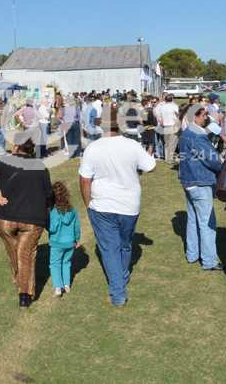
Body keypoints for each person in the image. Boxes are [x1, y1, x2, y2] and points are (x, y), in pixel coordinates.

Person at [79, 107, 156, 307]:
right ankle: (119, 284)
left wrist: (88, 204)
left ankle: (119, 287)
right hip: (128, 203)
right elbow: (150, 166)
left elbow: (85, 180)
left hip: (102, 204)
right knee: (124, 244)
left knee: (111, 248)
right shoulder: (132, 145)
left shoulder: (93, 148)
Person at [0, 137, 52, 309]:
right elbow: (48, 194)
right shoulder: (40, 167)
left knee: (14, 253)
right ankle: (25, 295)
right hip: (32, 220)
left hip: (4, 218)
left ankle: (20, 284)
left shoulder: (4, 161)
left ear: (17, 146)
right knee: (25, 255)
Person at [178, 105, 223, 270]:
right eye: (204, 115)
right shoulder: (197, 136)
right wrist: (222, 166)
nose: (206, 118)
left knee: (192, 219)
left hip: (188, 181)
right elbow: (212, 160)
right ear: (195, 116)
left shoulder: (186, 133)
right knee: (207, 223)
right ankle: (209, 261)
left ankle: (192, 254)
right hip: (200, 182)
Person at [48, 181, 81, 297]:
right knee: (66, 263)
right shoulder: (73, 211)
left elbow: (52, 229)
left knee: (55, 264)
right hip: (70, 243)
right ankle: (67, 285)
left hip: (56, 243)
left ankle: (58, 287)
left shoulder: (53, 212)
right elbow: (77, 227)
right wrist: (77, 239)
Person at [155, 94, 180, 164]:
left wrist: (161, 122)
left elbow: (158, 116)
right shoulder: (174, 106)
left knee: (166, 143)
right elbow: (179, 114)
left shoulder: (162, 107)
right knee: (172, 143)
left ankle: (167, 158)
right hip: (173, 125)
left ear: (165, 100)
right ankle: (170, 159)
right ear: (172, 99)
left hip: (165, 126)